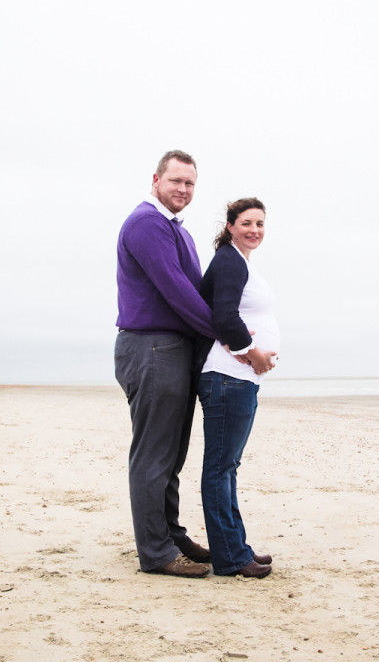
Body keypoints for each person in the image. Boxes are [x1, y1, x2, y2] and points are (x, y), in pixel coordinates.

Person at [114, 152, 274, 579]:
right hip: (151, 348)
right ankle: (156, 553)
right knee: (153, 456)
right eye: (176, 181)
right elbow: (178, 294)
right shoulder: (147, 224)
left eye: (190, 183)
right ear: (155, 179)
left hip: (174, 350)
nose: (183, 189)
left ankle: (172, 537)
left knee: (171, 456)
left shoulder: (173, 228)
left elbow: (195, 292)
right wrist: (231, 340)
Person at [197, 197, 280, 579]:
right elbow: (223, 314)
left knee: (227, 467)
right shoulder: (229, 260)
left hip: (237, 379)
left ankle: (237, 548)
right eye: (247, 222)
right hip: (227, 376)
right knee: (220, 469)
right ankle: (230, 558)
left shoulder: (240, 261)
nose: (254, 230)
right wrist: (252, 352)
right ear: (230, 225)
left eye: (260, 224)